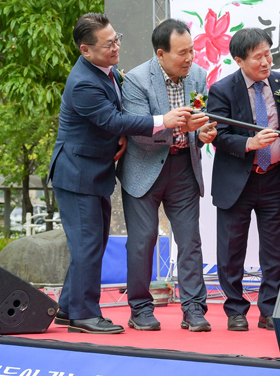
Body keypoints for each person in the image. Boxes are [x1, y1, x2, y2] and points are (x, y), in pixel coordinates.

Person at [48, 13, 191, 334]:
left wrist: (122, 139)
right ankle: (85, 315)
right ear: (86, 50)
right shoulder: (83, 82)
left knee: (92, 243)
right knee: (87, 245)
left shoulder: (105, 71)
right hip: (77, 175)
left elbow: (115, 123)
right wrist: (162, 121)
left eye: (117, 39)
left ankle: (69, 307)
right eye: (108, 44)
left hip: (95, 171)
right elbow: (113, 120)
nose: (116, 47)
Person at [117, 19, 218, 332]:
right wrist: (172, 125)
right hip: (143, 167)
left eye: (192, 51)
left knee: (190, 240)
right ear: (161, 54)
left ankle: (194, 310)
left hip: (184, 167)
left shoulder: (198, 76)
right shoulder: (135, 81)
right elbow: (136, 132)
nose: (190, 59)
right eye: (182, 53)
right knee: (143, 240)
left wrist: (203, 133)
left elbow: (200, 120)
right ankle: (140, 308)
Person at [207, 28, 280, 332]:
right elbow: (218, 136)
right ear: (240, 60)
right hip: (237, 181)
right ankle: (235, 309)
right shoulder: (222, 90)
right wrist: (249, 144)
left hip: (273, 179)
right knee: (231, 249)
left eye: (269, 53)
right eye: (259, 57)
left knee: (274, 250)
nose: (267, 62)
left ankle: (269, 308)